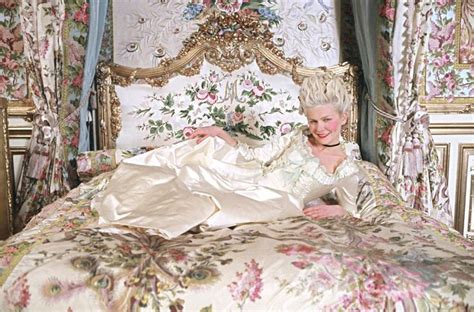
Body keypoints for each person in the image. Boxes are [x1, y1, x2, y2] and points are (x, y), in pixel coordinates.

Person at [92, 73, 362, 239]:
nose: (320, 128)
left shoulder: (346, 168)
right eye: (313, 120)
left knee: (209, 206)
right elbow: (254, 155)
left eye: (327, 119)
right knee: (196, 167)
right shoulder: (297, 136)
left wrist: (336, 209)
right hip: (254, 178)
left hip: (277, 202)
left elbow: (354, 211)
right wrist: (220, 133)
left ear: (344, 117)